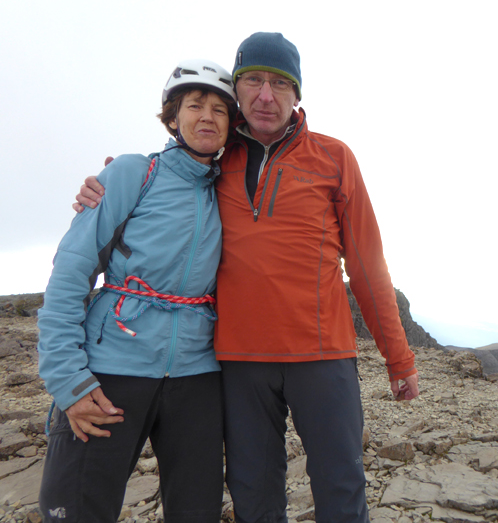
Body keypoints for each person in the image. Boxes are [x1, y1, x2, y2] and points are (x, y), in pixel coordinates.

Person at [75, 32, 420, 523]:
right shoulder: (215, 158)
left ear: (297, 95)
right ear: (236, 90)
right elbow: (166, 174)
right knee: (254, 497)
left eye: (280, 83)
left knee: (341, 489)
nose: (265, 95)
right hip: (239, 361)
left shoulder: (334, 158)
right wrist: (108, 184)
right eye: (253, 80)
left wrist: (399, 357)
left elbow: (367, 264)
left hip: (322, 356)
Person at [39, 59, 236, 523]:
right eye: (194, 105)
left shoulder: (231, 190)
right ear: (172, 118)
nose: (207, 116)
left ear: (232, 125)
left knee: (197, 513)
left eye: (220, 110)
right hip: (111, 369)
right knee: (77, 510)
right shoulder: (132, 173)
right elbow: (71, 271)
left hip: (196, 374)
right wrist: (68, 379)